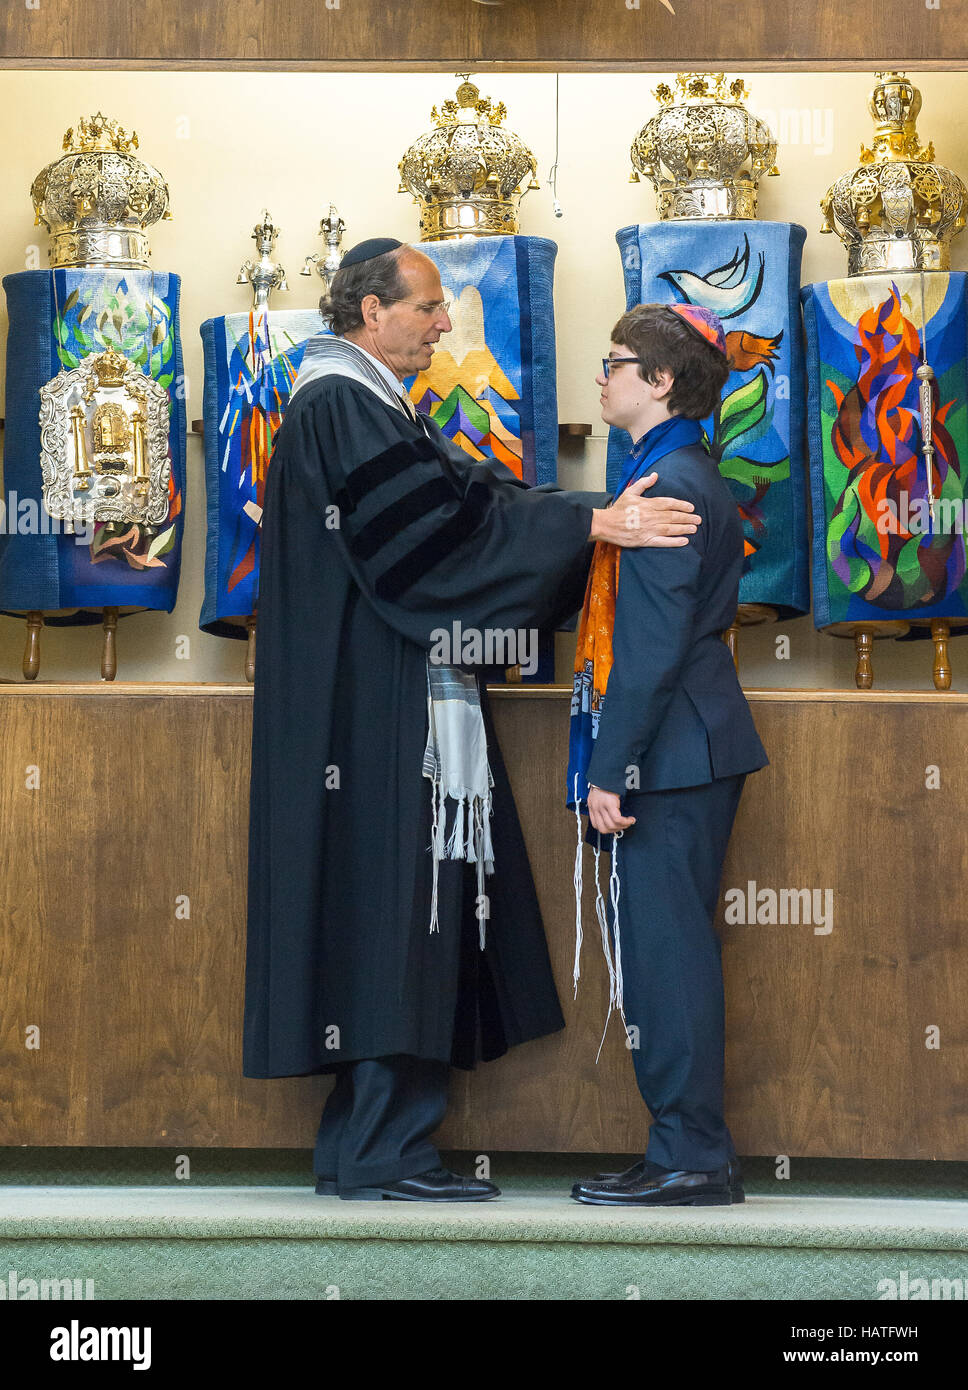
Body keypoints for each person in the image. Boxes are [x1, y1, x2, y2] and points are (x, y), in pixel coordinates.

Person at [242, 238, 704, 1203]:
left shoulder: (363, 403)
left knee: (390, 912)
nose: (445, 323)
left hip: (373, 698)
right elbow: (436, 544)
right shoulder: (342, 403)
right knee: (392, 915)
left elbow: (464, 502)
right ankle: (381, 1154)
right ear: (371, 313)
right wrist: (590, 525)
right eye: (426, 307)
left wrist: (581, 518)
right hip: (372, 711)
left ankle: (362, 1149)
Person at [567, 302, 769, 1208]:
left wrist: (609, 770)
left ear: (657, 380)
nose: (602, 377)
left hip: (672, 752)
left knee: (668, 956)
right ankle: (680, 1149)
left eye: (614, 364)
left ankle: (692, 1157)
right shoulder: (670, 467)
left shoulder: (668, 487)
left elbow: (650, 650)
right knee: (661, 953)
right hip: (686, 742)